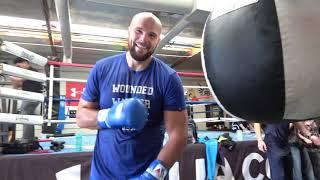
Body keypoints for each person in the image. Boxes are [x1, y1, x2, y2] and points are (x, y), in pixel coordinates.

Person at [76, 12, 188, 180]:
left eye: (152, 35)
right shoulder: (102, 69)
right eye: (138, 31)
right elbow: (81, 117)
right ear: (129, 31)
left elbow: (178, 135)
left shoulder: (168, 78)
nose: (143, 39)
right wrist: (110, 116)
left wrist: (153, 175)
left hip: (146, 171)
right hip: (103, 174)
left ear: (158, 40)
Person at [254, 122, 320, 180]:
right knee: (279, 175)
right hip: (273, 140)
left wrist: (310, 135)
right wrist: (259, 140)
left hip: (285, 141)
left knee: (288, 173)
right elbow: (257, 120)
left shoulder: (288, 109)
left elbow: (295, 121)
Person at [9, 57, 42, 140]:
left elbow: (21, 79)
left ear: (25, 63)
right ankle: (28, 138)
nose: (18, 69)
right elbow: (16, 86)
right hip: (27, 97)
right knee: (26, 116)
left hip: (34, 97)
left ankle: (26, 139)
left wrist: (10, 73)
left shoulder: (32, 71)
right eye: (17, 67)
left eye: (19, 66)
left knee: (25, 115)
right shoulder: (22, 73)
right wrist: (13, 78)